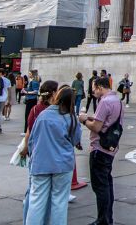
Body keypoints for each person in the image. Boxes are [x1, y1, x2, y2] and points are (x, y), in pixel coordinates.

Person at [25, 87, 82, 225]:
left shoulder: (43, 115)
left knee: (36, 201)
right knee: (60, 202)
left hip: (41, 163)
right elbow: (75, 140)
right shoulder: (71, 118)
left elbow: (32, 139)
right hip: (62, 164)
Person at [80, 76, 123, 225]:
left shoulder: (104, 102)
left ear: (99, 87)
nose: (92, 91)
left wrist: (84, 120)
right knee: (107, 184)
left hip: (100, 148)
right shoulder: (117, 100)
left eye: (93, 88)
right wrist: (93, 117)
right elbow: (109, 122)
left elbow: (97, 127)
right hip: (111, 147)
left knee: (100, 187)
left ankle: (103, 220)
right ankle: (107, 218)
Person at [20, 80, 61, 221]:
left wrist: (26, 148)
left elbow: (29, 132)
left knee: (33, 193)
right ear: (53, 93)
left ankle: (27, 220)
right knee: (47, 195)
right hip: (55, 158)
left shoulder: (36, 110)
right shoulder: (59, 111)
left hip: (38, 155)